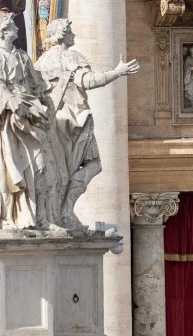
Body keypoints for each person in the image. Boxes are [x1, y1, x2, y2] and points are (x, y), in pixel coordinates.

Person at [35, 18, 140, 230]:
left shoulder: (40, 62)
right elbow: (88, 81)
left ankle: (56, 213)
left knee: (60, 170)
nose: (74, 35)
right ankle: (65, 210)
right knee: (93, 164)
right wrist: (117, 72)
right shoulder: (70, 56)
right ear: (62, 34)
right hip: (75, 120)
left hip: (52, 122)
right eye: (70, 31)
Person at [0, 10, 47, 229]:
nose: (17, 28)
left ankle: (30, 215)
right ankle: (7, 217)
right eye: (13, 25)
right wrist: (11, 101)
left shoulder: (22, 55)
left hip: (27, 116)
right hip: (5, 121)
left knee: (36, 165)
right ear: (4, 31)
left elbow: (37, 84)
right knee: (6, 168)